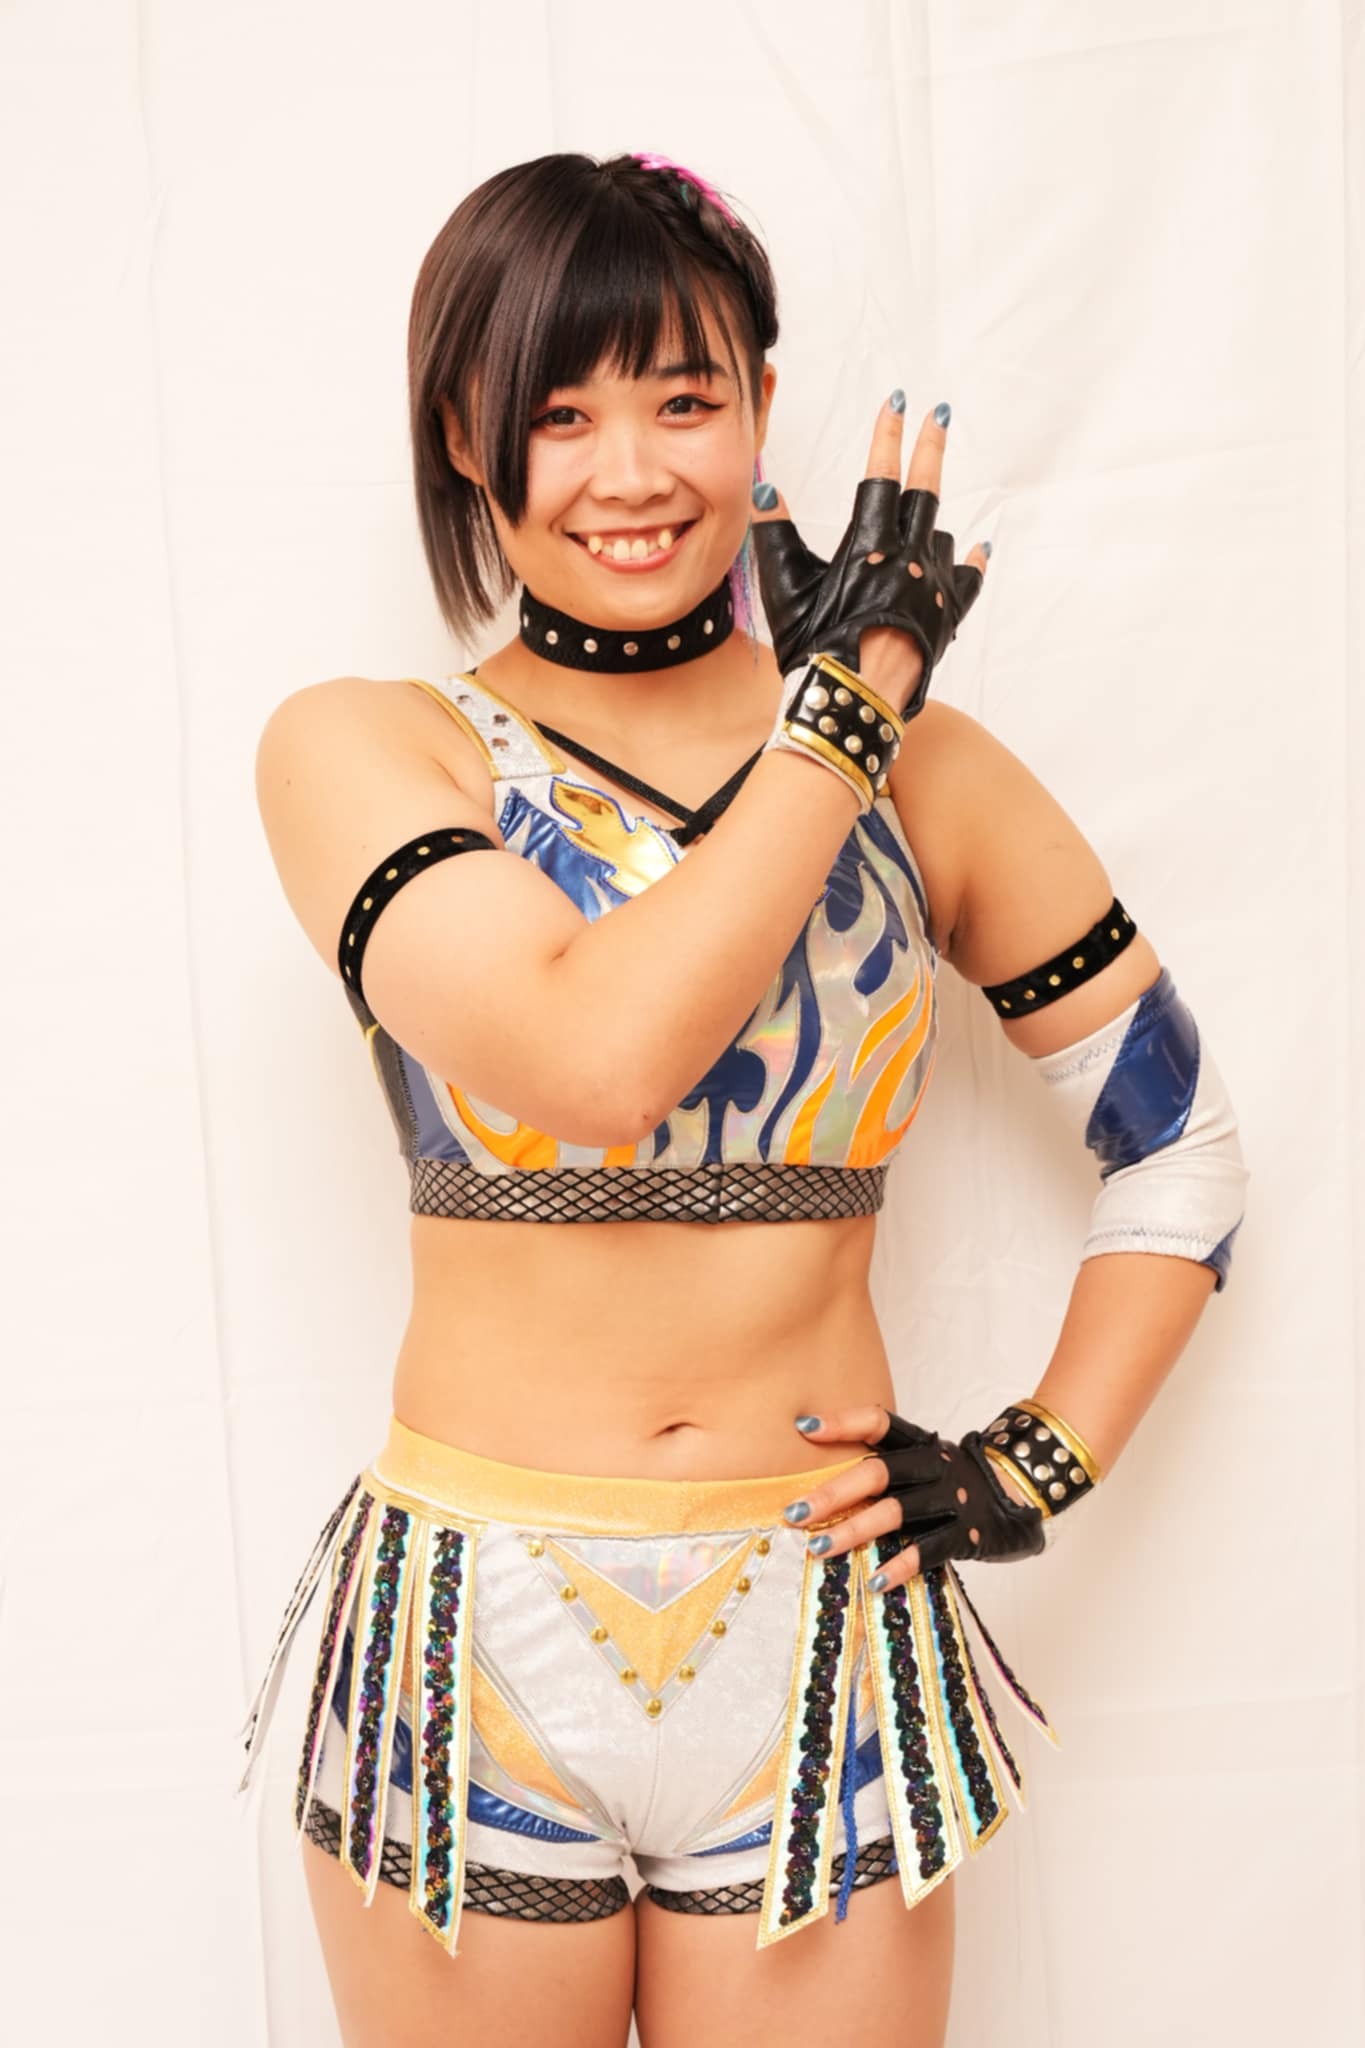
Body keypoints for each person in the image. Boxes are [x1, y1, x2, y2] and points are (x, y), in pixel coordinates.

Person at [237, 151, 1249, 2048]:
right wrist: (842, 713)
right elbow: (593, 1061)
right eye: (559, 413)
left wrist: (1032, 1460)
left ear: (763, 407)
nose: (630, 471)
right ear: (463, 436)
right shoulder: (368, 748)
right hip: (477, 1628)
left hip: (821, 1624)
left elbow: (1175, 1148)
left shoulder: (938, 779)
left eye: (684, 400)